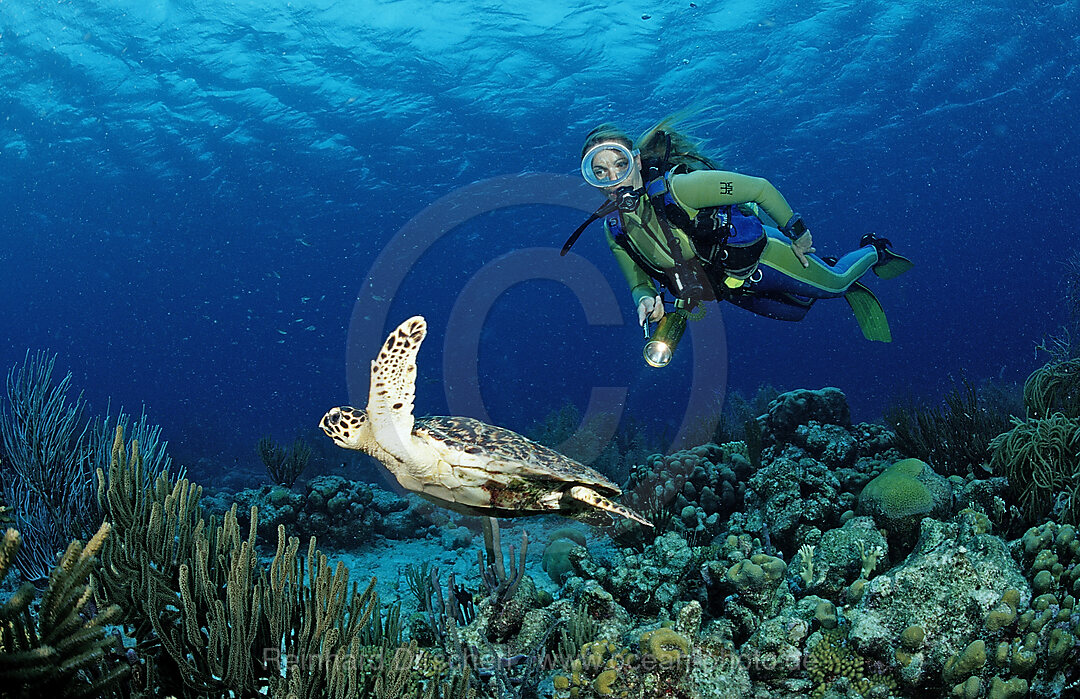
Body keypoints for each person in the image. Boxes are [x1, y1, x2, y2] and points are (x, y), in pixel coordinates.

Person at [562, 116, 912, 342]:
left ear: (636, 161)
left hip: (763, 260)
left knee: (834, 287)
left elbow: (758, 188)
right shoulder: (615, 230)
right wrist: (645, 301)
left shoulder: (682, 189)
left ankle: (874, 249)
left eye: (620, 163)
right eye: (600, 172)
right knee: (798, 312)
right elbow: (639, 282)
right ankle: (828, 272)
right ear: (591, 180)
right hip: (729, 287)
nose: (614, 178)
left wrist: (797, 231)